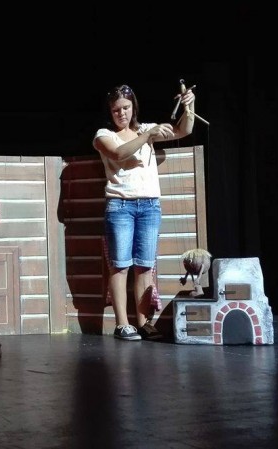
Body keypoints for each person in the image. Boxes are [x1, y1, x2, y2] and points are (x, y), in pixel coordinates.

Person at [92, 84, 196, 341]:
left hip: (149, 205)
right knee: (120, 266)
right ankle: (122, 325)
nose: (122, 114)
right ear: (110, 112)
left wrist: (189, 105)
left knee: (145, 266)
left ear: (133, 107)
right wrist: (148, 135)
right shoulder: (104, 134)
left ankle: (143, 323)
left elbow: (184, 130)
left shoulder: (145, 129)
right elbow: (119, 153)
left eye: (126, 108)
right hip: (121, 206)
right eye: (116, 110)